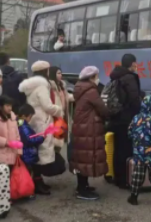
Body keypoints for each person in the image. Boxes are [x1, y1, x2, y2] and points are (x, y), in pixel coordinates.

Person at [18, 61, 63, 192]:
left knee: (35, 150)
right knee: (41, 152)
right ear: (45, 71)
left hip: (34, 118)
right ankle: (37, 183)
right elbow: (47, 106)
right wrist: (59, 110)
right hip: (42, 119)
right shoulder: (42, 86)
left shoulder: (30, 85)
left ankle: (37, 180)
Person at [71, 66, 109, 201]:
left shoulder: (79, 87)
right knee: (86, 157)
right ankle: (82, 190)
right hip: (88, 128)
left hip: (81, 127)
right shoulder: (91, 91)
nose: (98, 79)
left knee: (81, 157)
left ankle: (82, 185)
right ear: (92, 77)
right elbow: (102, 109)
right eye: (97, 76)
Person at [107, 54, 142, 189]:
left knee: (118, 148)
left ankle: (118, 177)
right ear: (133, 64)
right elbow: (134, 99)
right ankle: (124, 180)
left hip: (116, 117)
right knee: (126, 149)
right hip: (127, 118)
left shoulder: (116, 76)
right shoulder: (130, 77)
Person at [127, 96, 151, 206]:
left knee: (138, 174)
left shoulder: (136, 118)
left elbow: (129, 132)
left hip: (139, 152)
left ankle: (133, 197)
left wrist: (135, 141)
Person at [17, 104, 45, 196]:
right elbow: (29, 140)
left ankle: (29, 190)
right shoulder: (23, 125)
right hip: (27, 154)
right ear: (24, 115)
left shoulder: (19, 123)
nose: (30, 118)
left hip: (25, 153)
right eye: (30, 116)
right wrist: (41, 138)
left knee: (29, 173)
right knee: (29, 174)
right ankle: (28, 191)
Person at [0, 96, 22, 167]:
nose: (10, 108)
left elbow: (17, 136)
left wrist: (19, 151)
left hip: (13, 156)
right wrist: (6, 143)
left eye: (11, 105)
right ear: (0, 107)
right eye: (7, 105)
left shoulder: (13, 119)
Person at [49, 66, 73, 132]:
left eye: (61, 73)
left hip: (63, 113)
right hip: (56, 114)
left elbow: (67, 96)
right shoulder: (50, 86)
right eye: (58, 73)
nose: (60, 75)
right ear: (53, 74)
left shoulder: (62, 85)